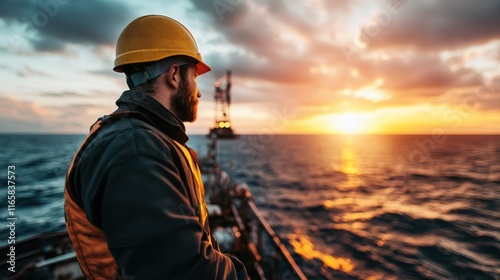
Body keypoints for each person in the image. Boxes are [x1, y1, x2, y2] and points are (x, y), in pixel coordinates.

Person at [64, 15, 248, 280]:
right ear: (174, 75)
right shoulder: (137, 148)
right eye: (195, 77)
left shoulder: (141, 137)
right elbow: (182, 272)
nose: (198, 92)